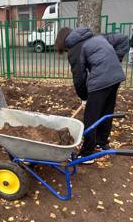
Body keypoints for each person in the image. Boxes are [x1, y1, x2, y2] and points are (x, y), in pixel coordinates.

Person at [55, 26, 128, 163]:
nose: (66, 51)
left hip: (101, 79)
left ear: (63, 42)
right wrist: (114, 60)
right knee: (106, 110)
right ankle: (102, 142)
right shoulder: (97, 37)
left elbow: (79, 78)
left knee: (91, 117)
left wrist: (84, 97)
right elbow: (123, 39)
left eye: (64, 49)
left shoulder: (75, 49)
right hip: (116, 76)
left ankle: (87, 153)